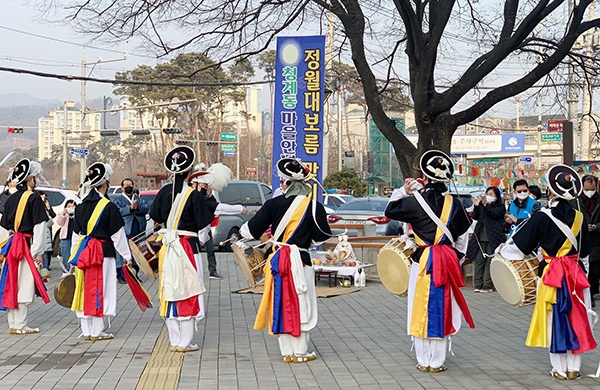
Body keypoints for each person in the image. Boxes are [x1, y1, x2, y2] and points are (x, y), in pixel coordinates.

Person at [499, 165, 596, 380]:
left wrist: (501, 250)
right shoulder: (580, 217)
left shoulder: (542, 217)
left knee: (554, 318)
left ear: (551, 192)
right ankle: (574, 367)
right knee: (577, 317)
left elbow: (520, 246)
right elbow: (586, 250)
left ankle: (559, 369)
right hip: (575, 274)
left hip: (552, 273)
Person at [384, 150, 475, 373]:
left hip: (422, 260)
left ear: (424, 177)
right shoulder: (457, 204)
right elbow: (463, 238)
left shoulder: (416, 202)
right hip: (447, 259)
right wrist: (458, 258)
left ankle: (423, 359)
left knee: (419, 305)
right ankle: (438, 361)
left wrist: (403, 190)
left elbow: (390, 209)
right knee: (444, 306)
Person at [240, 158, 332, 364]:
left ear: (284, 183)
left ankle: (287, 351)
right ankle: (300, 351)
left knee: (280, 301)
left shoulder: (273, 204)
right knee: (302, 302)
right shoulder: (314, 206)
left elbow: (249, 230)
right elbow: (323, 235)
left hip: (278, 259)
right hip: (301, 259)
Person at [150, 146, 214, 353]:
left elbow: (155, 217)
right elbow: (204, 223)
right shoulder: (193, 196)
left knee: (169, 289)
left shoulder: (163, 192)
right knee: (189, 289)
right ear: (189, 173)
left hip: (168, 248)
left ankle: (175, 340)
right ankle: (185, 342)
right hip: (187, 247)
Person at [69, 162, 133, 341]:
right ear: (104, 184)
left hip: (83, 253)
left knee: (83, 288)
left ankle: (87, 330)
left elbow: (76, 235)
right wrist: (127, 257)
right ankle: (97, 330)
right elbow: (118, 235)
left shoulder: (80, 207)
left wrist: (74, 256)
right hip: (102, 253)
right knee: (100, 288)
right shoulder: (108, 206)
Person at [0, 159, 50, 334]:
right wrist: (38, 252)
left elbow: (4, 225)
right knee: (25, 284)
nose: (35, 180)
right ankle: (20, 324)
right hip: (26, 246)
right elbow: (40, 226)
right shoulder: (34, 198)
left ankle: (13, 323)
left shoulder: (11, 199)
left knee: (11, 281)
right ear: (29, 179)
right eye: (34, 177)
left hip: (13, 245)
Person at [188, 163, 249, 280]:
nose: (205, 188)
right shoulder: (193, 197)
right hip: (190, 233)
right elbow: (218, 207)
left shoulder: (201, 196)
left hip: (203, 229)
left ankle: (212, 270)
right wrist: (241, 209)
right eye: (203, 185)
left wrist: (209, 194)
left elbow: (214, 205)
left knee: (210, 249)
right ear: (194, 184)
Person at [467, 186, 506, 293]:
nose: (488, 196)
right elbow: (475, 216)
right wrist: (476, 206)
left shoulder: (500, 207)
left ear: (497, 197)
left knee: (490, 261)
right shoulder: (482, 205)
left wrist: (486, 205)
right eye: (487, 194)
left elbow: (495, 214)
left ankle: (487, 284)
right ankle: (478, 284)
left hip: (493, 237)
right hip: (480, 236)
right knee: (479, 261)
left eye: (491, 194)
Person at [112, 178, 149, 283]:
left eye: (130, 185)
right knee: (123, 252)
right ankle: (121, 275)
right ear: (122, 188)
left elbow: (146, 208)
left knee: (136, 252)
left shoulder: (137, 198)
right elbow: (118, 212)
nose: (128, 187)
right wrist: (130, 208)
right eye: (126, 185)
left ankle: (135, 274)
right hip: (125, 229)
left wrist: (137, 208)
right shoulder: (118, 200)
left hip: (138, 229)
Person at [572, 175, 600, 308]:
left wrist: (597, 226)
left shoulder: (598, 200)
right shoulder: (575, 201)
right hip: (580, 238)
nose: (590, 192)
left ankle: (591, 293)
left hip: (596, 240)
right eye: (588, 189)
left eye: (593, 189)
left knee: (594, 269)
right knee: (581, 268)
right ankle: (581, 292)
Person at [55, 199, 76, 270]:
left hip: (74, 238)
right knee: (66, 255)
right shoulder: (64, 215)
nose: (70, 208)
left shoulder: (77, 215)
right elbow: (59, 222)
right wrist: (63, 214)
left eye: (72, 206)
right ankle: (66, 271)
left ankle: (73, 271)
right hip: (65, 237)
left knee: (74, 255)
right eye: (68, 206)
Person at [38, 191, 56, 271]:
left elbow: (53, 215)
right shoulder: (37, 206)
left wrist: (49, 208)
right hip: (42, 230)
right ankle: (45, 267)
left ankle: (47, 265)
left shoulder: (47, 206)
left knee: (48, 250)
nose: (44, 200)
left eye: (45, 198)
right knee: (44, 250)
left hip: (48, 229)